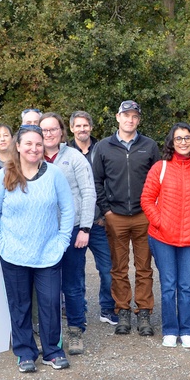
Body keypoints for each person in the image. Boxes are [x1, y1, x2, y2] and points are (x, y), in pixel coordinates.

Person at [0, 125, 74, 372]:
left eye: (38, 144)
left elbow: (67, 210)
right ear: (18, 146)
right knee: (20, 305)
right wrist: (0, 244)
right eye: (28, 144)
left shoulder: (54, 174)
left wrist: (62, 240)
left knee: (50, 304)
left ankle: (53, 351)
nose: (34, 148)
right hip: (13, 254)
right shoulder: (3, 176)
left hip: (48, 253)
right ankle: (25, 353)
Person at [91, 100, 162, 337]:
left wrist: (153, 210)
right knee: (118, 268)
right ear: (117, 117)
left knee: (144, 268)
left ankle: (144, 312)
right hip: (116, 216)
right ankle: (122, 310)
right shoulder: (103, 147)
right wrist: (106, 211)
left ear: (138, 120)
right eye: (126, 115)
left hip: (144, 216)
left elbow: (157, 180)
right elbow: (97, 182)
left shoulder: (149, 146)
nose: (129, 120)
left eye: (134, 116)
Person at [141, 123, 190, 348]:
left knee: (185, 286)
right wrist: (160, 222)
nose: (183, 142)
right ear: (171, 143)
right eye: (178, 138)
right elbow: (146, 199)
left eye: (187, 138)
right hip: (163, 237)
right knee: (168, 285)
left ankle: (186, 329)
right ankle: (170, 330)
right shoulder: (160, 168)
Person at [41, 112, 96, 355]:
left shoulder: (73, 157)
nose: (49, 134)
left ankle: (75, 330)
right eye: (44, 130)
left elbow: (88, 193)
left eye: (53, 129)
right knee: (47, 286)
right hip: (42, 233)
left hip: (73, 230)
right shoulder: (31, 157)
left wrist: (85, 228)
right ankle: (51, 333)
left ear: (62, 132)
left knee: (72, 285)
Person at [68, 110, 115, 325]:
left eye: (85, 125)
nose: (82, 129)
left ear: (91, 127)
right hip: (75, 224)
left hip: (98, 222)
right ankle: (80, 309)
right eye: (77, 126)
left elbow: (108, 182)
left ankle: (107, 308)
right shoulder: (65, 152)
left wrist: (105, 213)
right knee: (76, 273)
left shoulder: (102, 149)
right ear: (71, 129)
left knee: (107, 269)